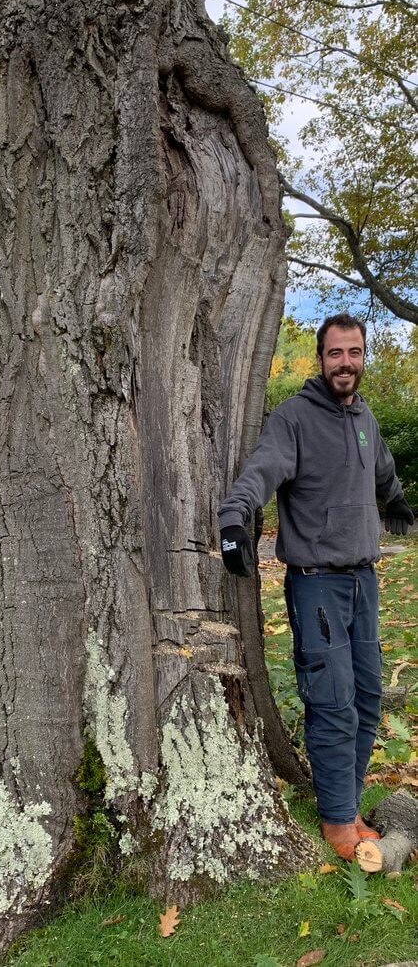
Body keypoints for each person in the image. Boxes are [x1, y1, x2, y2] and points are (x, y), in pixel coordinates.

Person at [218, 313, 414, 860]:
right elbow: (261, 472)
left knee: (369, 697)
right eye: (335, 353)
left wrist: (395, 499)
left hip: (364, 582)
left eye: (354, 352)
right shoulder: (294, 419)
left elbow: (381, 468)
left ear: (363, 356)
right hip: (317, 585)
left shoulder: (365, 418)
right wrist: (235, 519)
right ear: (320, 358)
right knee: (332, 703)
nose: (345, 363)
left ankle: (347, 804)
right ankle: (336, 822)